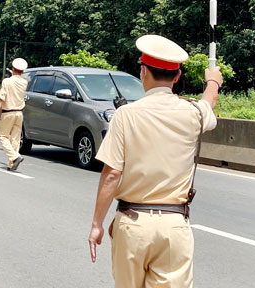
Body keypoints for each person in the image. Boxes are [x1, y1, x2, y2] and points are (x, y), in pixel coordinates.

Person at [88, 35, 222, 288]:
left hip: (133, 224)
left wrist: (97, 224)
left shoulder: (125, 115)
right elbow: (209, 102)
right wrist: (213, 80)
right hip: (174, 226)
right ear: (177, 76)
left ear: (143, 72)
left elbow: (112, 173)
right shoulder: (193, 113)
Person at [0, 58, 28, 171]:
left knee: (2, 135)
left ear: (13, 69)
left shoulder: (6, 81)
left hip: (8, 112)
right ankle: (11, 163)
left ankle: (14, 157)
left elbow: (1, 98)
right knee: (15, 139)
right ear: (22, 71)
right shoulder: (24, 82)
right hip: (19, 113)